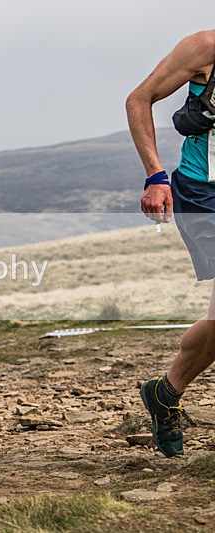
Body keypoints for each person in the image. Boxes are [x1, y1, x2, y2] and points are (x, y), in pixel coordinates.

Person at [126, 30, 215, 457]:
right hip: (204, 194)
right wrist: (155, 176)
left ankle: (166, 393)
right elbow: (138, 99)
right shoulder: (205, 48)